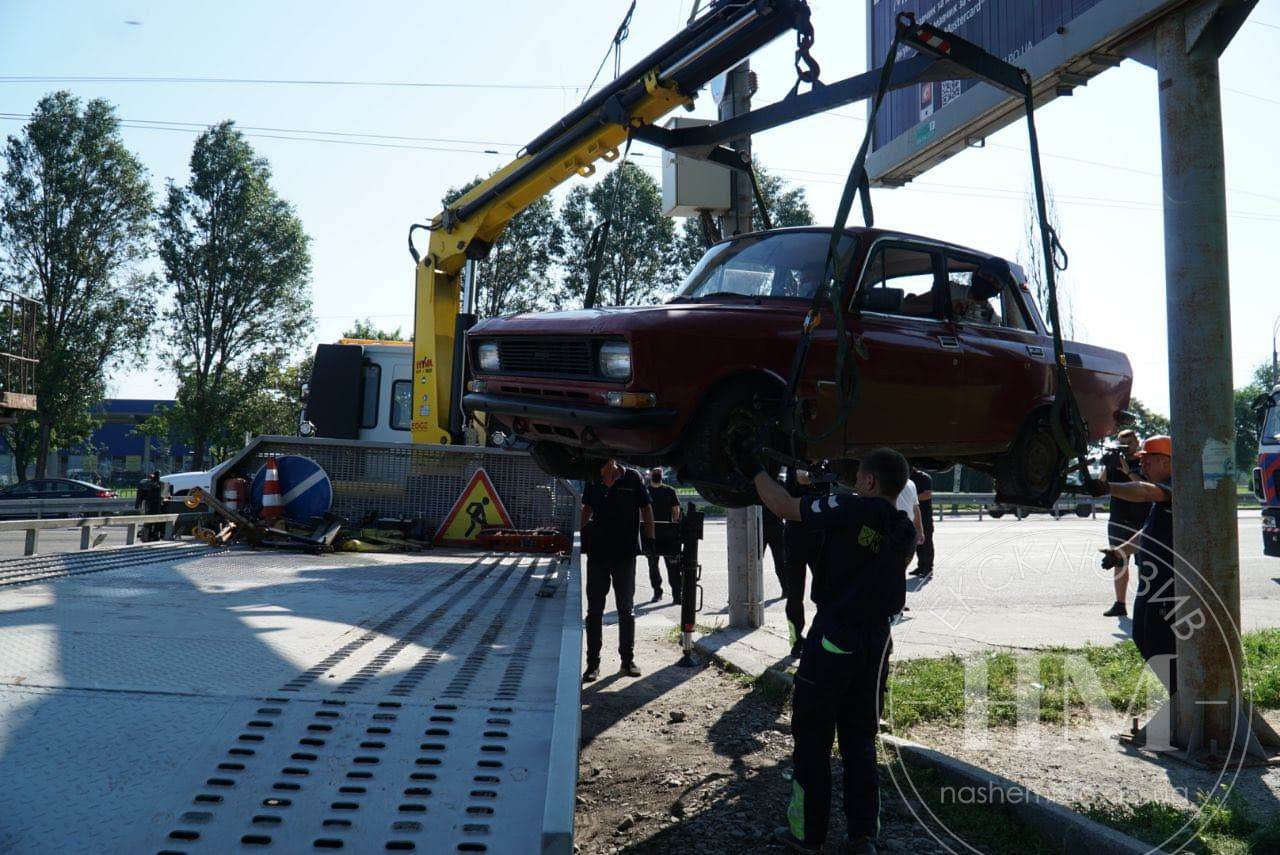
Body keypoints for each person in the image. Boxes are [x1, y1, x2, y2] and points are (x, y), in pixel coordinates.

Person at [741, 447, 916, 855]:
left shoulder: (853, 508)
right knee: (860, 739)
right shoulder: (903, 528)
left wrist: (753, 467)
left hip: (836, 636)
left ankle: (807, 835)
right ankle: (862, 838)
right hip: (878, 643)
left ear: (870, 482)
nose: (854, 481)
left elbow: (784, 506)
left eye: (858, 476)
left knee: (813, 736)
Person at [1094, 436, 1176, 695]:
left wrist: (1108, 487)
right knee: (1143, 635)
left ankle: (1182, 697)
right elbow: (1147, 531)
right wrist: (1120, 552)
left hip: (1170, 585)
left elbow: (1143, 491)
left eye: (1148, 461)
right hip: (1153, 583)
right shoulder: (1161, 490)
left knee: (1160, 641)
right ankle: (1179, 696)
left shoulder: (1175, 485)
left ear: (1165, 461)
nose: (1144, 467)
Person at [581, 459, 655, 682]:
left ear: (611, 461)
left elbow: (646, 509)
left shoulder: (632, 478)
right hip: (597, 555)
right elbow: (586, 510)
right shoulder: (593, 480)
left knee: (626, 609)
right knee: (594, 611)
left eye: (602, 464)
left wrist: (650, 539)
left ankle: (627, 661)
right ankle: (592, 664)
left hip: (625, 555)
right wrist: (580, 536)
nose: (599, 470)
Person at [1100, 430, 1148, 617]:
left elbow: (1144, 485)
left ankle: (1146, 604)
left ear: (1136, 442)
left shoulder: (1143, 462)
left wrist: (1127, 470)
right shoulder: (1116, 461)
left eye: (1128, 443)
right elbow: (1100, 485)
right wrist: (1108, 465)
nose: (1125, 447)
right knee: (1118, 561)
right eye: (1121, 443)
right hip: (1118, 519)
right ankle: (1120, 604)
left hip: (1140, 520)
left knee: (1145, 565)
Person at [782, 468, 829, 659]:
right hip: (795, 539)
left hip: (819, 538)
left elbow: (824, 495)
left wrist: (810, 479)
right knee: (794, 594)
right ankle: (796, 641)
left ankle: (822, 635)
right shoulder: (793, 468)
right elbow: (789, 497)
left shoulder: (826, 468)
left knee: (825, 592)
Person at [645, 467, 682, 603]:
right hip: (651, 533)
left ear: (661, 476)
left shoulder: (669, 491)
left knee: (673, 567)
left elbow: (676, 511)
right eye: (655, 474)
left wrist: (675, 526)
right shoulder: (646, 491)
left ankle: (677, 595)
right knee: (653, 566)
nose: (656, 476)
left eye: (657, 474)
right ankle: (657, 592)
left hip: (667, 534)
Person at [909, 468, 935, 577]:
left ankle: (928, 568)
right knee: (917, 541)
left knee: (927, 541)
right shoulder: (907, 478)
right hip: (912, 515)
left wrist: (911, 499)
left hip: (925, 515)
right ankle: (921, 566)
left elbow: (927, 494)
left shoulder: (924, 477)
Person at [895, 472, 926, 560]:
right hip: (907, 529)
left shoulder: (882, 480)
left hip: (891, 528)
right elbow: (915, 509)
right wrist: (920, 531)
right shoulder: (911, 483)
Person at [763, 503, 789, 597]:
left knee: (781, 562)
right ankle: (786, 590)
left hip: (774, 527)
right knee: (754, 563)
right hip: (763, 526)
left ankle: (786, 590)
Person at [135, 470, 165, 541]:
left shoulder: (160, 484)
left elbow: (140, 495)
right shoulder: (147, 483)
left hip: (155, 504)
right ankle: (149, 534)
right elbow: (140, 494)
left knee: (155, 520)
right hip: (151, 504)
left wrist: (138, 504)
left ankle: (155, 534)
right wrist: (138, 504)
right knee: (149, 520)